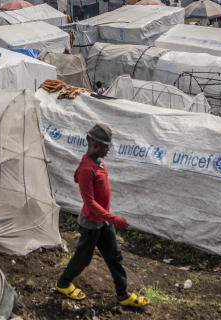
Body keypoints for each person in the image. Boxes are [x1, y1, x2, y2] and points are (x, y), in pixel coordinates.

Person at [56, 123, 149, 309]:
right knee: (83, 258)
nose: (108, 150)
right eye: (106, 146)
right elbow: (89, 202)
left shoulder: (99, 163)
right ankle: (63, 284)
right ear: (93, 144)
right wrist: (113, 218)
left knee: (114, 256)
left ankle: (123, 294)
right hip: (92, 223)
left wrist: (108, 219)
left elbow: (83, 181)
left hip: (104, 222)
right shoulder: (86, 169)